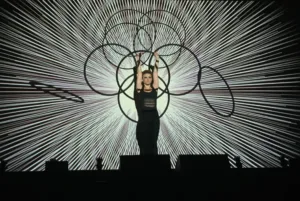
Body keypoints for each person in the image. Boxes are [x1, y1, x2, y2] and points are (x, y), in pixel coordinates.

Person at [134, 51, 160, 155]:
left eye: (149, 77)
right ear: (143, 80)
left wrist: (157, 59)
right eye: (145, 77)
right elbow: (139, 74)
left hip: (154, 118)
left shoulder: (155, 89)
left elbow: (155, 73)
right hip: (143, 118)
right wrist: (138, 61)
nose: (148, 79)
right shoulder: (139, 89)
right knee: (143, 143)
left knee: (153, 143)